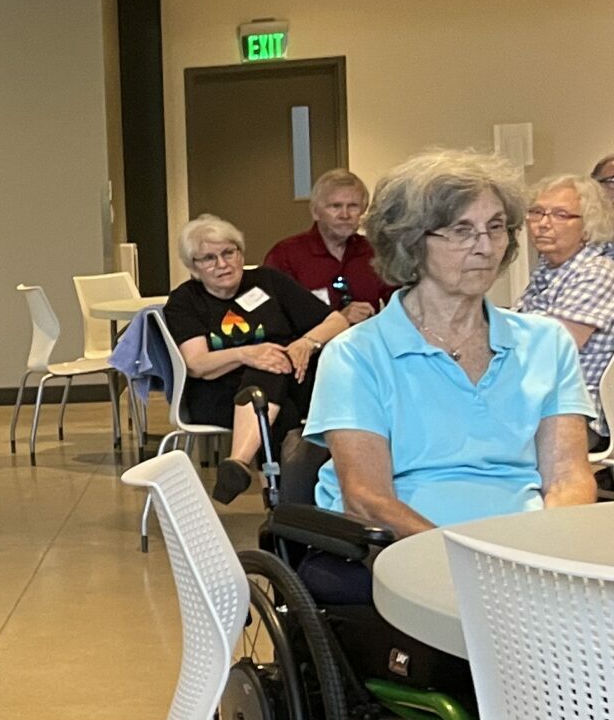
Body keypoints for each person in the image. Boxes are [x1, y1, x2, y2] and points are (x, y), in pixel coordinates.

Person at [304, 149, 595, 600]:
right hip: (407, 551)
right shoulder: (357, 353)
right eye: (462, 230)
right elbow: (368, 498)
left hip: (526, 555)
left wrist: (545, 558)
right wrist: (467, 564)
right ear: (411, 242)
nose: (486, 246)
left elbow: (568, 479)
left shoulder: (545, 343)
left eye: (496, 227)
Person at [160, 214, 348, 503]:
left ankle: (238, 463)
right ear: (193, 266)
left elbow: (337, 321)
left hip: (291, 379)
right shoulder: (186, 300)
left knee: (273, 367)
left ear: (241, 253)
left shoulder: (268, 281)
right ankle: (286, 507)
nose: (222, 264)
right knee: (277, 399)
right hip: (220, 393)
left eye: (228, 252)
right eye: (208, 258)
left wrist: (305, 343)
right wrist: (247, 354)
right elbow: (197, 365)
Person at [515, 173, 614, 426]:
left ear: (588, 226)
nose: (543, 224)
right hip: (536, 397)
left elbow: (553, 345)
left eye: (560, 215)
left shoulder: (597, 271)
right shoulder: (548, 268)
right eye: (537, 212)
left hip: (571, 411)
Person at [261, 169, 392, 315]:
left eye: (353, 206)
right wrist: (339, 320)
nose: (345, 215)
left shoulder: (374, 251)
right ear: (315, 212)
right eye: (335, 206)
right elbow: (272, 315)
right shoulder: (285, 256)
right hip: (312, 331)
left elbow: (400, 303)